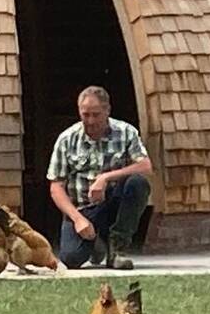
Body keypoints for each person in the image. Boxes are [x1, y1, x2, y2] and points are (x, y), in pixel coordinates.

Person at [48, 86, 152, 270]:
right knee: (71, 258)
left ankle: (118, 248)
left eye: (96, 115)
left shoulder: (126, 132)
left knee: (138, 183)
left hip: (113, 203)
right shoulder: (67, 139)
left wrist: (105, 178)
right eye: (85, 115)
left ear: (107, 111)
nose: (90, 121)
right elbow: (56, 187)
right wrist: (77, 218)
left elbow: (145, 166)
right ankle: (97, 243)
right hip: (83, 209)